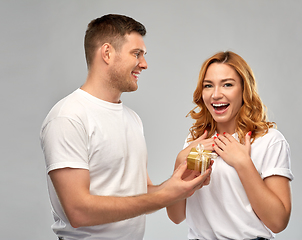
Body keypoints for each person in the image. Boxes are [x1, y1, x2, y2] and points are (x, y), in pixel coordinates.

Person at [40, 14, 211, 240]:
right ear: (107, 53)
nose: (144, 64)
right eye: (136, 54)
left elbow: (141, 195)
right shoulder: (68, 117)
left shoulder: (132, 119)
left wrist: (178, 180)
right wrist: (165, 196)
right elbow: (78, 211)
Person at [166, 51, 294, 240]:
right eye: (208, 86)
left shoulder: (269, 140)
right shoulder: (196, 141)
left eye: (227, 84)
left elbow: (278, 222)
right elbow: (176, 216)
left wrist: (243, 163)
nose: (216, 94)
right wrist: (180, 163)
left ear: (244, 89)